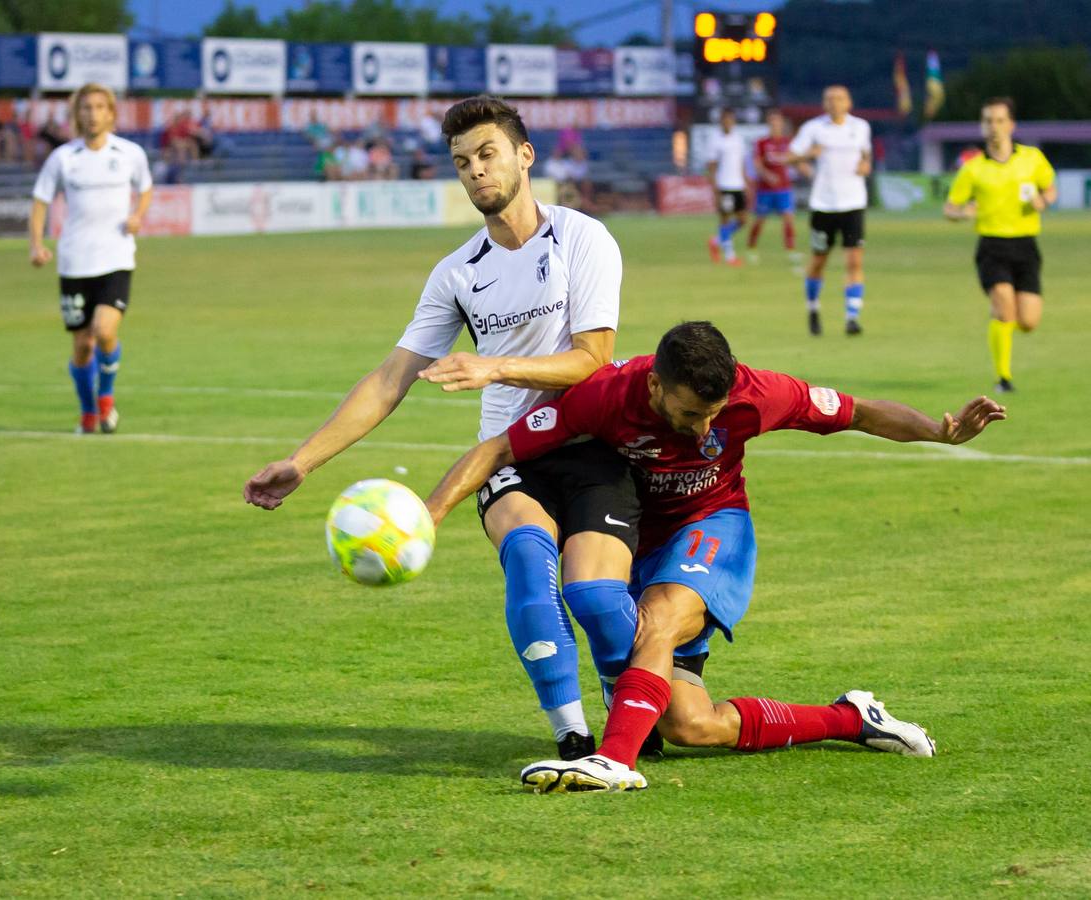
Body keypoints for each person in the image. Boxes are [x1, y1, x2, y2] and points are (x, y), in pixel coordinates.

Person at [421, 320, 1006, 792]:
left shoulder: (760, 394)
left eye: (713, 414)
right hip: (642, 541)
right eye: (688, 415)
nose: (704, 430)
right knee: (689, 725)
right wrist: (433, 512)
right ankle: (852, 718)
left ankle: (612, 760)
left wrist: (938, 430)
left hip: (713, 528)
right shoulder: (603, 397)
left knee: (660, 618)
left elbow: (857, 411)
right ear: (654, 387)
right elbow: (500, 447)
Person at [244, 96, 639, 763]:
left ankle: (625, 693)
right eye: (462, 162)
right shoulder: (459, 272)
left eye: (487, 154)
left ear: (524, 156)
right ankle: (572, 735)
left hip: (592, 444)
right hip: (506, 457)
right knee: (526, 561)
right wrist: (302, 461)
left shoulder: (581, 238)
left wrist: (492, 367)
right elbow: (391, 377)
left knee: (597, 600)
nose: (477, 172)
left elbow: (593, 358)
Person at [29, 83, 153, 435]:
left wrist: (138, 215)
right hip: (74, 261)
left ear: (111, 113)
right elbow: (40, 200)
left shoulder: (129, 153)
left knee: (105, 330)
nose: (93, 113)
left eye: (100, 107)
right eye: (86, 107)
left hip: (116, 257)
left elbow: (145, 187)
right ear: (77, 114)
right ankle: (87, 412)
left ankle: (106, 399)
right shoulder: (64, 158)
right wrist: (36, 244)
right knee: (82, 345)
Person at [943, 97, 1056, 394]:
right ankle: (1003, 378)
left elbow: (1050, 188)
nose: (993, 126)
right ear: (982, 126)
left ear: (1011, 125)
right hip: (992, 247)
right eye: (988, 121)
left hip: (1026, 246)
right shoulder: (973, 168)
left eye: (999, 120)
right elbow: (950, 208)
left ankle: (1001, 327)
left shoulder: (1032, 158)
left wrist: (1043, 200)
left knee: (1028, 321)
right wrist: (962, 213)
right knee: (1004, 308)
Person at [789, 85, 873, 337]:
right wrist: (807, 157)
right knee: (818, 261)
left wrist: (865, 165)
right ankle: (813, 307)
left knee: (854, 260)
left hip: (853, 203)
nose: (835, 102)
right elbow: (789, 156)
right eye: (829, 99)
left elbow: (865, 154)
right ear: (824, 104)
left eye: (839, 98)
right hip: (823, 205)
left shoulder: (860, 127)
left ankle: (852, 317)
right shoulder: (813, 129)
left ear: (849, 102)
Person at [747, 109, 797, 261]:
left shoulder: (787, 142)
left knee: (788, 217)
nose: (775, 123)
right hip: (765, 189)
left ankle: (790, 250)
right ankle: (752, 247)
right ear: (768, 123)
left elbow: (795, 160)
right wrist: (767, 175)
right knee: (760, 219)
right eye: (772, 120)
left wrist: (807, 170)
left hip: (784, 187)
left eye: (778, 120)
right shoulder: (762, 143)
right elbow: (757, 164)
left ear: (782, 123)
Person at [705, 109, 748, 266]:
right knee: (725, 219)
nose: (728, 122)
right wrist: (715, 187)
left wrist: (746, 183)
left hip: (738, 185)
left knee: (743, 220)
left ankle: (716, 241)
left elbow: (741, 163)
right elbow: (711, 166)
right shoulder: (715, 140)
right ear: (721, 121)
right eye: (726, 120)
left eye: (731, 120)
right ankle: (730, 256)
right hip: (725, 186)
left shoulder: (738, 139)